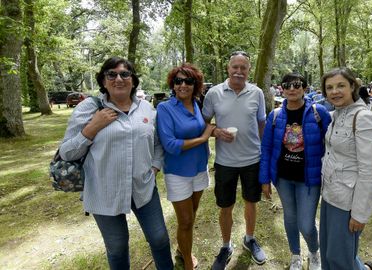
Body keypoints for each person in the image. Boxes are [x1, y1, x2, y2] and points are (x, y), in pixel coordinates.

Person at [59, 57, 173, 269]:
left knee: (159, 239)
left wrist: (155, 167)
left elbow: (157, 144)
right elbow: (66, 152)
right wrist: (93, 126)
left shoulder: (146, 108)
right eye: (111, 74)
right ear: (103, 81)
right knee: (117, 247)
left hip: (143, 187)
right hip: (104, 190)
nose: (118, 78)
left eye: (124, 74)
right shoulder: (89, 108)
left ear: (133, 80)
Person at [259, 73, 331, 270]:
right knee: (290, 218)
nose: (292, 89)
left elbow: (335, 142)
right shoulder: (274, 116)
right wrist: (264, 179)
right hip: (283, 179)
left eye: (297, 85)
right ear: (281, 88)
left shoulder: (319, 113)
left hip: (309, 179)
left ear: (304, 88)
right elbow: (266, 149)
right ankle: (295, 255)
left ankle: (314, 253)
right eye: (287, 85)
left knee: (306, 224)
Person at [202, 51, 267, 269]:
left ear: (249, 69)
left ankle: (249, 239)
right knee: (225, 205)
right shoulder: (214, 93)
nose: (239, 72)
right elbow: (203, 123)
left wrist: (262, 152)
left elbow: (261, 124)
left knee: (251, 202)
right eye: (235, 67)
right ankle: (225, 245)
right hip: (225, 162)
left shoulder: (256, 93)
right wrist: (215, 132)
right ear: (228, 68)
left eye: (244, 68)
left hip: (252, 159)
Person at [320, 68, 372, 270]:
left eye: (340, 86)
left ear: (352, 86)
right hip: (330, 194)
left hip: (348, 202)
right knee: (328, 253)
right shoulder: (337, 114)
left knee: (340, 259)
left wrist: (359, 213)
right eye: (329, 87)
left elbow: (371, 171)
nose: (334, 91)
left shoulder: (363, 118)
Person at [156, 63, 216, 270]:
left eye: (188, 81)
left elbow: (201, 127)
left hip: (199, 168)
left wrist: (215, 132)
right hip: (178, 173)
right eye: (178, 81)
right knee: (186, 220)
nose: (183, 85)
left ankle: (182, 249)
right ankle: (188, 262)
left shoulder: (197, 104)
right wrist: (204, 137)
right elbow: (170, 145)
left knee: (192, 214)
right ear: (172, 85)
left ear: (195, 84)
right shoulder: (165, 108)